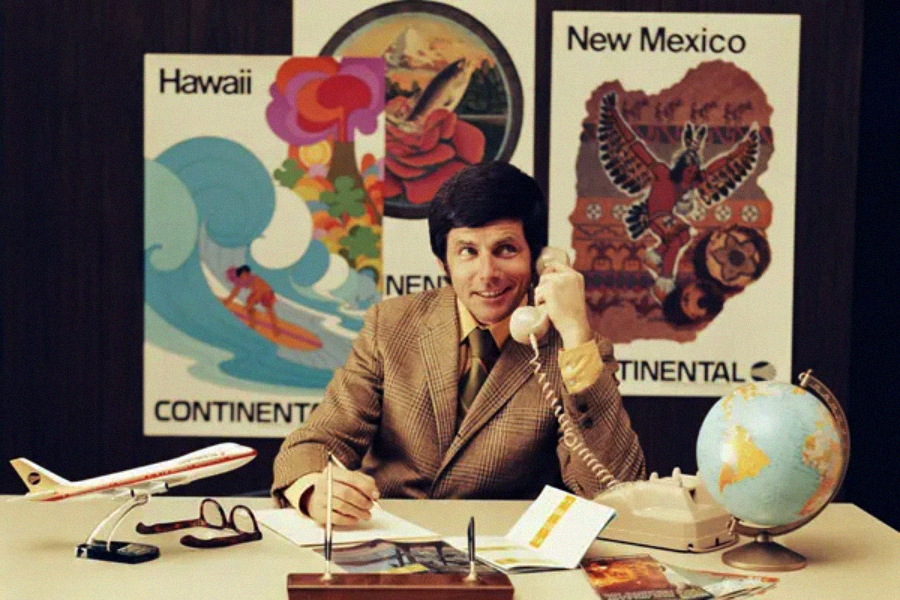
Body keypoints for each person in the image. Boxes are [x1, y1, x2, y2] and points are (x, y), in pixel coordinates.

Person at [272, 162, 645, 525]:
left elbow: (613, 488)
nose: (487, 274)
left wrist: (576, 335)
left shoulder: (573, 348)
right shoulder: (391, 325)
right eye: (468, 251)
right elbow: (313, 443)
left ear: (538, 258)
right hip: (387, 540)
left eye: (506, 250)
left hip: (502, 554)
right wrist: (312, 489)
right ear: (443, 261)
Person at [222, 264, 279, 334]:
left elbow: (260, 292)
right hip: (257, 292)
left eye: (244, 275)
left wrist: (251, 303)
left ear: (247, 274)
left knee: (269, 308)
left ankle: (275, 328)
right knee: (249, 304)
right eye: (241, 276)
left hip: (266, 292)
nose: (242, 278)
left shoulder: (254, 279)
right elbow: (235, 290)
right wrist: (228, 300)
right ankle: (253, 324)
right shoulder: (242, 279)